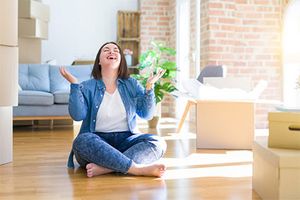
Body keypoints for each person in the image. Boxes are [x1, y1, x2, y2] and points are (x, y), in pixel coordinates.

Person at [60, 42, 167, 178]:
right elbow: (77, 115)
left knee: (158, 143)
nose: (112, 52)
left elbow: (146, 114)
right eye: (106, 50)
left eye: (116, 50)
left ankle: (106, 168)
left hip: (127, 141)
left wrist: (149, 87)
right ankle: (136, 169)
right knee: (81, 141)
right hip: (97, 142)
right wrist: (75, 85)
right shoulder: (87, 86)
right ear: (99, 60)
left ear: (121, 59)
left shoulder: (131, 83)